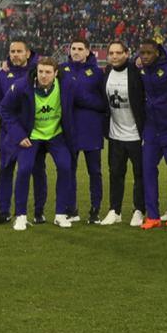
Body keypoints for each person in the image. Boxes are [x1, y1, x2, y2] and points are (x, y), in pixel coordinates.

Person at [0, 57, 76, 230]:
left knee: (65, 167)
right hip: (31, 137)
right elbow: (5, 109)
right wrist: (19, 135)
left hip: (56, 135)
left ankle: (60, 214)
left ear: (56, 73)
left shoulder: (67, 85)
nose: (43, 75)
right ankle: (20, 216)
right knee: (24, 169)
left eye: (48, 72)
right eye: (40, 71)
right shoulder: (21, 86)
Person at [0, 39, 47, 225]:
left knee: (37, 170)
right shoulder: (2, 75)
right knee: (5, 170)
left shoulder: (38, 71)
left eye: (19, 51)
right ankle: (4, 211)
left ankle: (38, 212)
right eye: (12, 51)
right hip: (8, 132)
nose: (15, 55)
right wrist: (3, 113)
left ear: (28, 53)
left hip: (33, 132)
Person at [60, 38, 107, 224]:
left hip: (91, 129)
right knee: (68, 170)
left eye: (80, 49)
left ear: (88, 51)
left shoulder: (97, 73)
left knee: (94, 171)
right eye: (73, 48)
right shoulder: (62, 70)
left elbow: (103, 103)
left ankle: (95, 210)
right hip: (69, 129)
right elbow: (39, 72)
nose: (76, 51)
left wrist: (80, 99)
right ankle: (71, 210)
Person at [137, 39, 167, 229]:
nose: (145, 57)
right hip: (151, 128)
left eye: (148, 53)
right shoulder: (141, 67)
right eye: (142, 53)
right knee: (147, 169)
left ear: (157, 52)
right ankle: (153, 216)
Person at [100, 41, 146, 227]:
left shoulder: (136, 73)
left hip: (136, 135)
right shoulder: (106, 73)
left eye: (119, 52)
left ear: (127, 54)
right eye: (111, 53)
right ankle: (115, 210)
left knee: (139, 175)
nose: (114, 56)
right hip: (115, 135)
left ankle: (139, 210)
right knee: (115, 173)